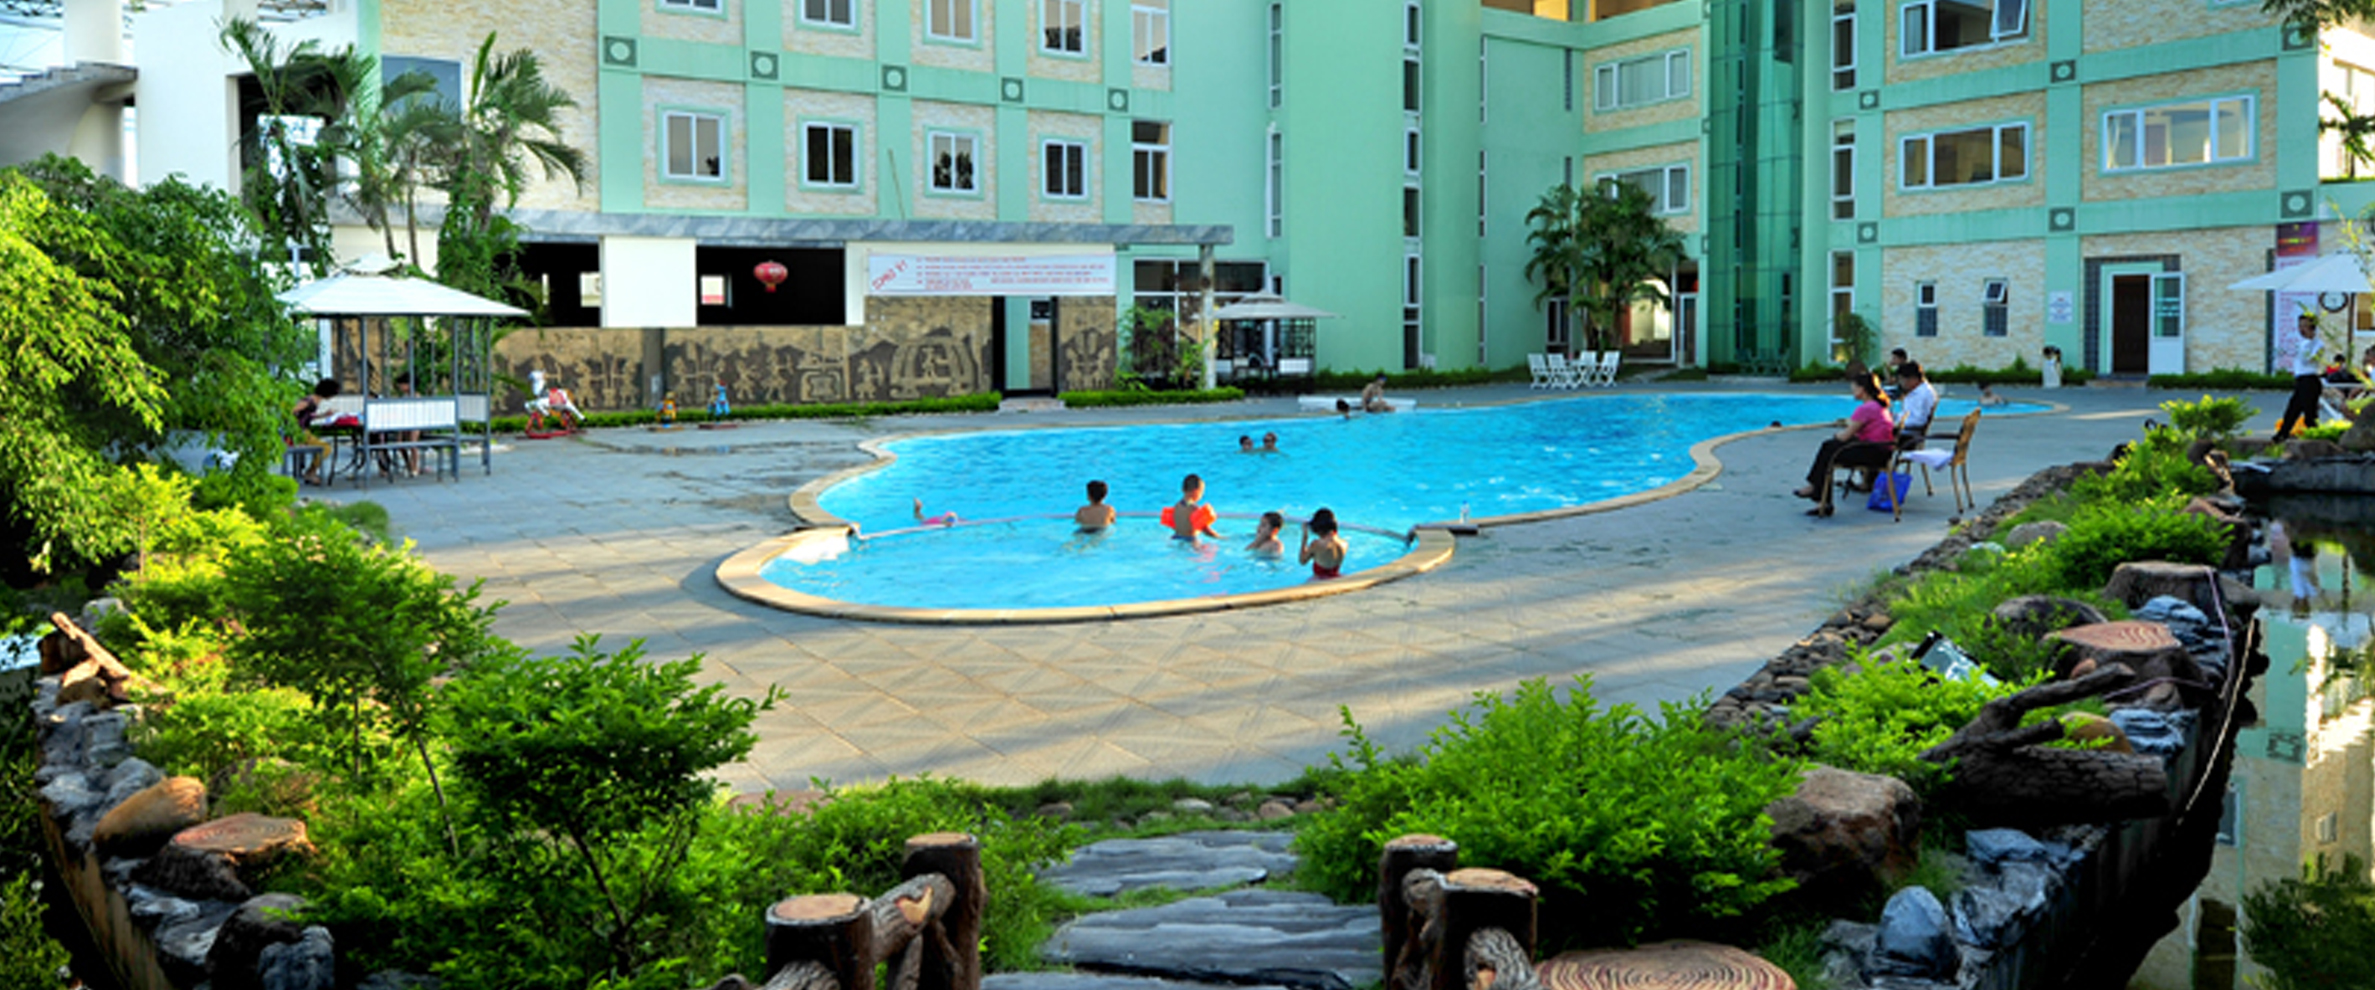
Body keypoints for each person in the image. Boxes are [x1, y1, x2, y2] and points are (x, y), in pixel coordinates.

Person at [1793, 370, 1896, 516]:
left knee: (1829, 449)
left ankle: (1819, 495)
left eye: (1854, 387)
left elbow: (1845, 436)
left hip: (1873, 453)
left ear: (1862, 389)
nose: (1852, 390)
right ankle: (1817, 492)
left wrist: (1838, 434)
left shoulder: (1865, 409)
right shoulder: (1879, 406)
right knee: (1829, 447)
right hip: (1882, 452)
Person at [2276, 311, 2325, 439]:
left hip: (2310, 380)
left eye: (2305, 326)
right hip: (2301, 380)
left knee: (2310, 413)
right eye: (2300, 326)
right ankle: (2282, 434)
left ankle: (2316, 436)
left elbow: (2308, 359)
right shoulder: (2302, 343)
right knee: (2293, 409)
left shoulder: (2318, 344)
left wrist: (2310, 341)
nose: (2301, 329)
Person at [289, 377, 341, 486]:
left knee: (324, 447)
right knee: (326, 448)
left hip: (303, 432)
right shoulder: (309, 401)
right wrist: (294, 428)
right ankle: (311, 472)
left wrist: (324, 415)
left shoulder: (315, 401)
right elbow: (291, 411)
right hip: (300, 433)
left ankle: (311, 471)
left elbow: (308, 416)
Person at [1894, 362, 1938, 444]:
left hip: (1909, 437)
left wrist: (1897, 424)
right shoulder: (1917, 391)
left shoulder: (1922, 394)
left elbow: (1919, 421)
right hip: (1908, 433)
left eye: (1901, 380)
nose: (1900, 383)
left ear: (1913, 379)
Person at [1169, 473, 1220, 540]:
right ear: (1196, 491)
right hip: (1190, 540)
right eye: (1201, 492)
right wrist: (1219, 537)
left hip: (1176, 537)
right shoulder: (1194, 508)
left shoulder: (1177, 505)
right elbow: (1206, 530)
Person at [1300, 508, 1348, 578]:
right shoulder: (1344, 543)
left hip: (1319, 580)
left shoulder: (1316, 544)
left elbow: (1302, 561)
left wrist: (1305, 537)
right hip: (1337, 579)